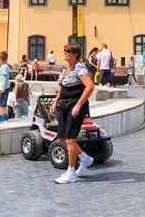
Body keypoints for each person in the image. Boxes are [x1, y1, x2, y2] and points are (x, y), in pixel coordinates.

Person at [50, 43, 95, 184]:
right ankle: (85, 158)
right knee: (62, 138)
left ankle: (71, 172)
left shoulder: (79, 67)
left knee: (70, 139)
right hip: (64, 105)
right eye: (64, 50)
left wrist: (78, 104)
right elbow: (62, 87)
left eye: (68, 51)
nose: (65, 53)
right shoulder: (65, 68)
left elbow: (90, 86)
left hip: (75, 106)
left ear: (75, 54)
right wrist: (54, 102)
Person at [0, 51, 10, 122]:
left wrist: (3, 87)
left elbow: (5, 78)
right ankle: (5, 115)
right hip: (2, 87)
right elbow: (1, 79)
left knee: (1, 102)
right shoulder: (3, 66)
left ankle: (1, 115)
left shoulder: (4, 67)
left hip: (4, 88)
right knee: (3, 101)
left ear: (0, 59)